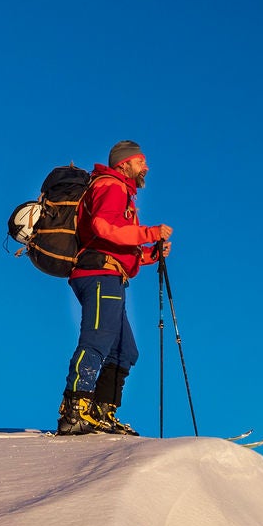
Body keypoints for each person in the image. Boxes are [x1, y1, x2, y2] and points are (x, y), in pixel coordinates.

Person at [56, 140, 173, 435]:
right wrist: (149, 233)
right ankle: (75, 410)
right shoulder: (111, 185)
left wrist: (149, 255)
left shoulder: (121, 192)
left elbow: (114, 241)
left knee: (124, 350)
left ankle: (101, 411)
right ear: (124, 163)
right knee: (98, 339)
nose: (145, 167)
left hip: (110, 273)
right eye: (140, 161)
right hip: (98, 273)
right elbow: (102, 227)